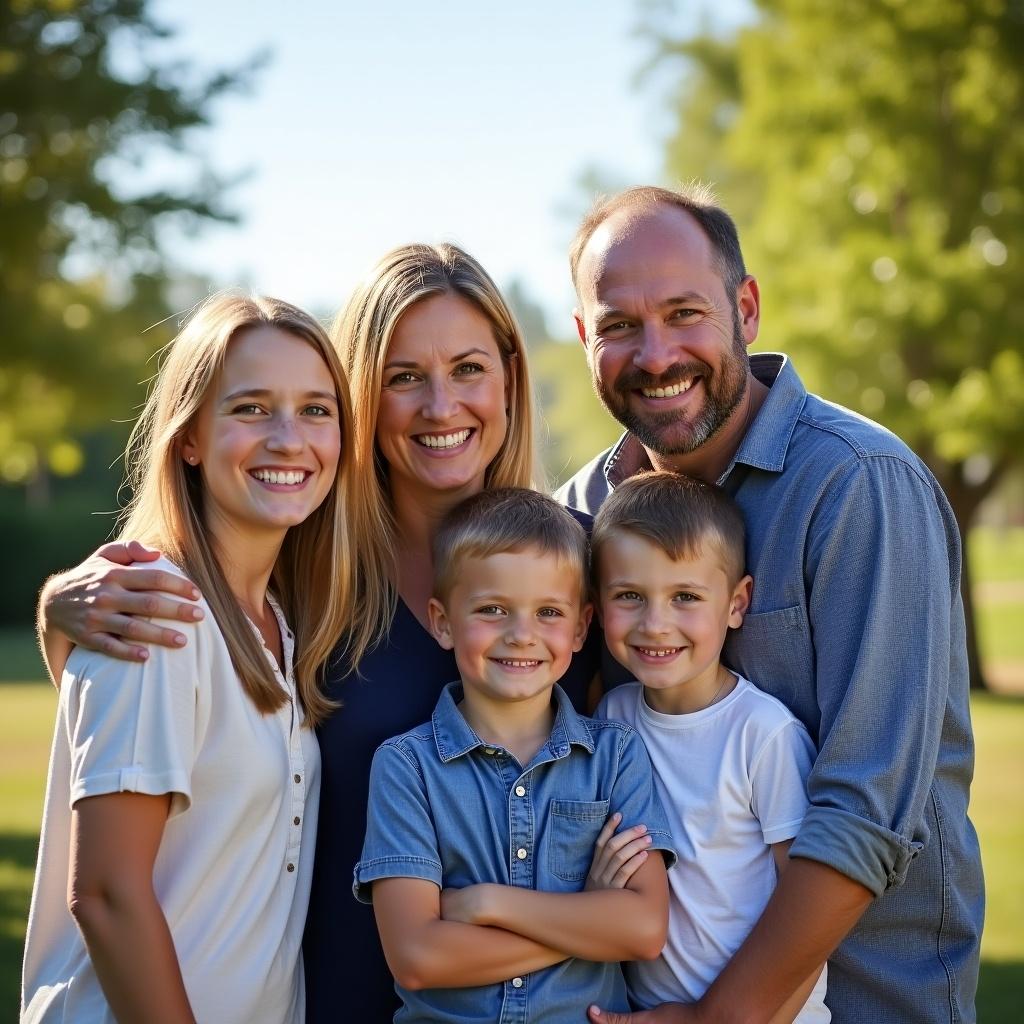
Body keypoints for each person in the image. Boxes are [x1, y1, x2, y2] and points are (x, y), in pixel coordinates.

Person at [34, 243, 601, 1021]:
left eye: (469, 368)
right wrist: (60, 607)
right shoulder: (304, 570)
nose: (441, 407)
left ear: (510, 376)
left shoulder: (580, 566)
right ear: (364, 395)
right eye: (404, 377)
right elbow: (133, 722)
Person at [556, 185, 983, 1023]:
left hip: (867, 1003)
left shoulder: (859, 486)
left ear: (746, 308)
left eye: (685, 313)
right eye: (617, 326)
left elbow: (866, 811)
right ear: (581, 338)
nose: (655, 353)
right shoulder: (580, 514)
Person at [21, 293, 357, 1023]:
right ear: (190, 439)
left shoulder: (280, 625)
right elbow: (107, 897)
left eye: (316, 409)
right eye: (251, 408)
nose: (289, 438)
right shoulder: (152, 611)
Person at [355, 487, 675, 1022]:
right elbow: (417, 958)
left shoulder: (616, 756)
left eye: (548, 611)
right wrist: (587, 920)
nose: (521, 635)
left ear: (580, 628)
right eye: (492, 609)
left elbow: (643, 931)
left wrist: (488, 906)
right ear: (442, 621)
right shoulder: (406, 766)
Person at [590, 470, 829, 1022]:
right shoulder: (612, 719)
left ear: (736, 603)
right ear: (598, 606)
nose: (656, 624)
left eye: (685, 597)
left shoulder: (762, 734)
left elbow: (806, 909)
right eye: (629, 596)